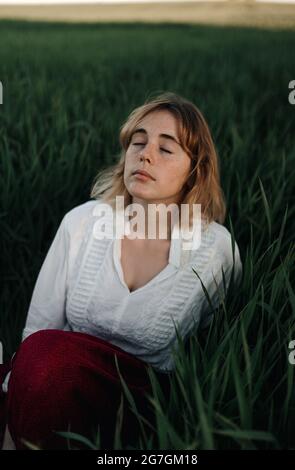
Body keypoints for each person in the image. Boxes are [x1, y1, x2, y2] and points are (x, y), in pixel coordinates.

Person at [0, 91, 243, 450]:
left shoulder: (215, 250)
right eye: (137, 142)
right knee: (43, 357)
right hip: (56, 379)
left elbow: (217, 343)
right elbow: (40, 328)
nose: (144, 154)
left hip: (142, 402)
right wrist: (16, 391)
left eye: (165, 148)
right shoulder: (82, 222)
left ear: (195, 169)